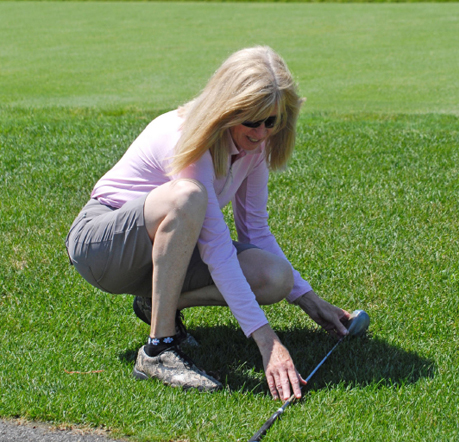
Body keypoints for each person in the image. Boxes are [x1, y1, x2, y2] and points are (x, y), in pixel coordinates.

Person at [66, 46, 352, 402]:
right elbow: (216, 248)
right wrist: (267, 340)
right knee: (188, 196)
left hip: (163, 254)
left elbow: (256, 232)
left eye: (272, 121)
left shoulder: (254, 147)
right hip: (102, 248)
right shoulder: (185, 135)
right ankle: (159, 349)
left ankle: (156, 305)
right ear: (228, 108)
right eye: (252, 119)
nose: (262, 132)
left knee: (275, 276)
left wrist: (312, 302)